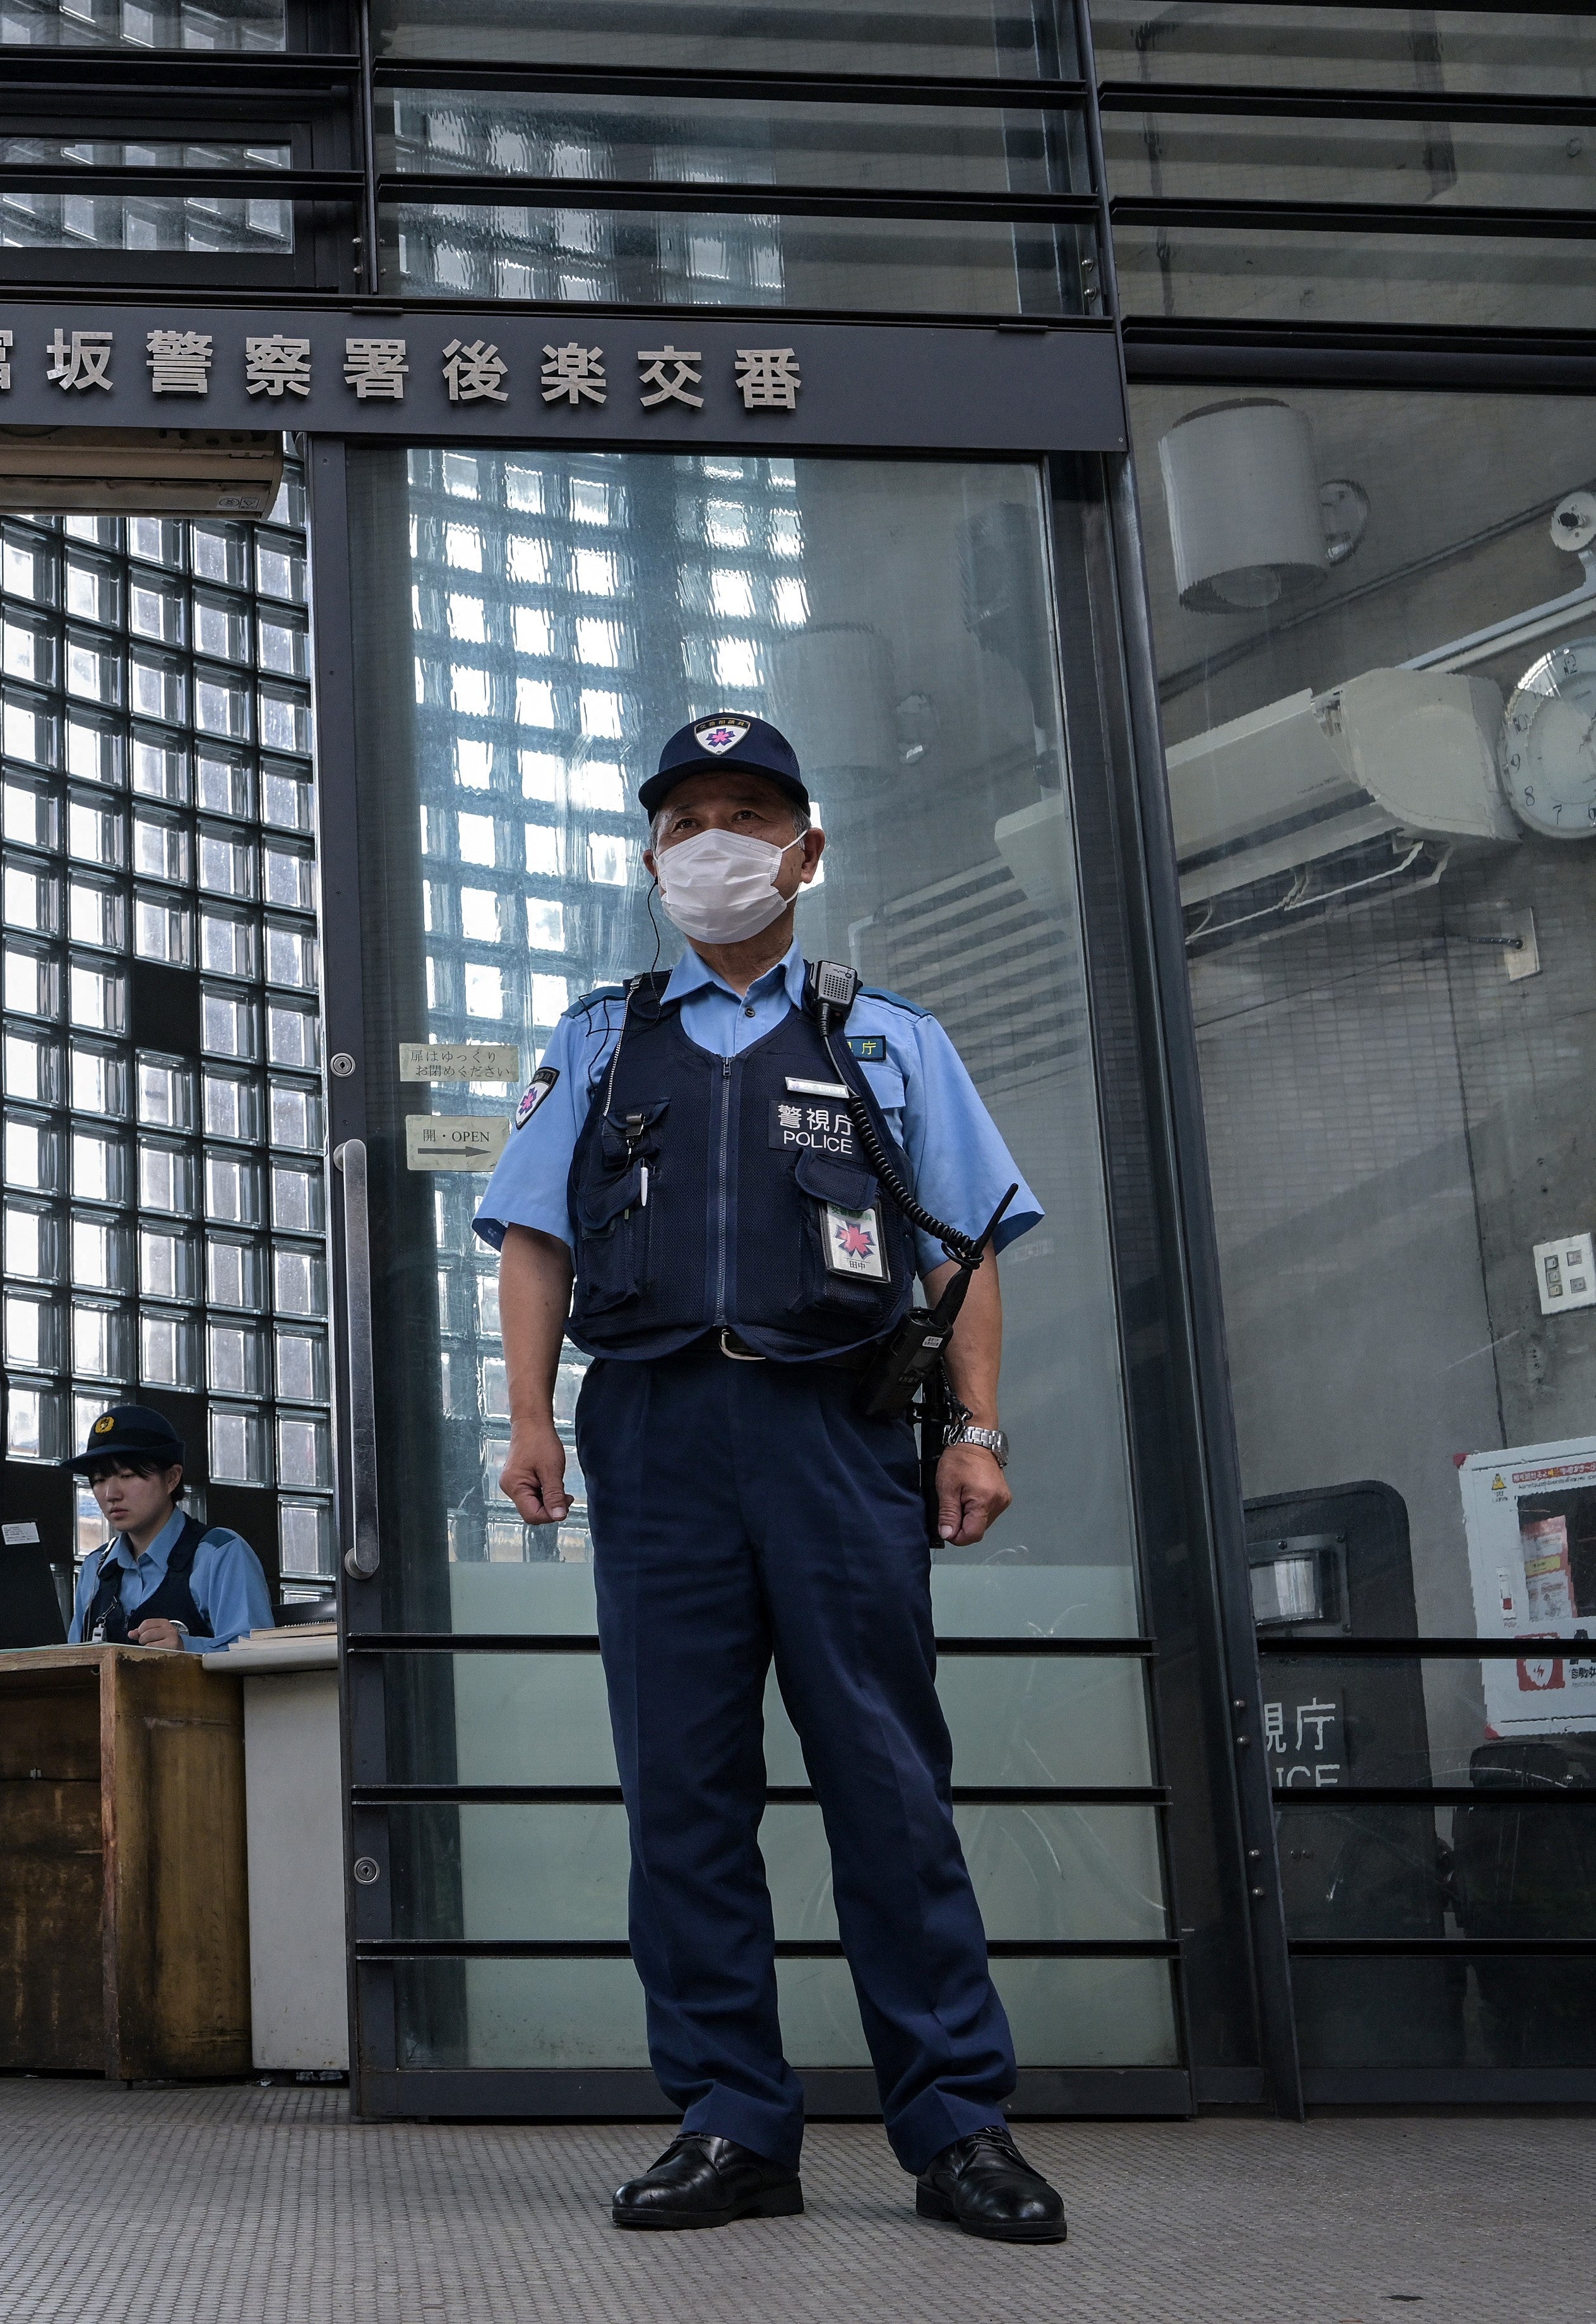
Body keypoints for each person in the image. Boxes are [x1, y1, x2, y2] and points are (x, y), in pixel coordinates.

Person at [473, 710, 1070, 2248]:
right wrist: (527, 1415)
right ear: (653, 857)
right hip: (657, 1436)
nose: (715, 839)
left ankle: (954, 2123)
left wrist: (978, 1429)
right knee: (683, 1793)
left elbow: (964, 1245)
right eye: (687, 819)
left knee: (883, 1780)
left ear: (805, 848)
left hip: (836, 1436)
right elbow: (532, 1236)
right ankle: (730, 2116)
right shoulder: (597, 1037)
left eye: (748, 811)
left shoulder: (886, 1034)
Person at [60, 1403, 271, 1654]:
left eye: (127, 1476)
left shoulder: (219, 1554)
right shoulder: (95, 1568)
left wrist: (186, 1646)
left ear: (172, 1478)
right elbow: (74, 1662)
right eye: (98, 1480)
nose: (110, 1494)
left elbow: (258, 1656)